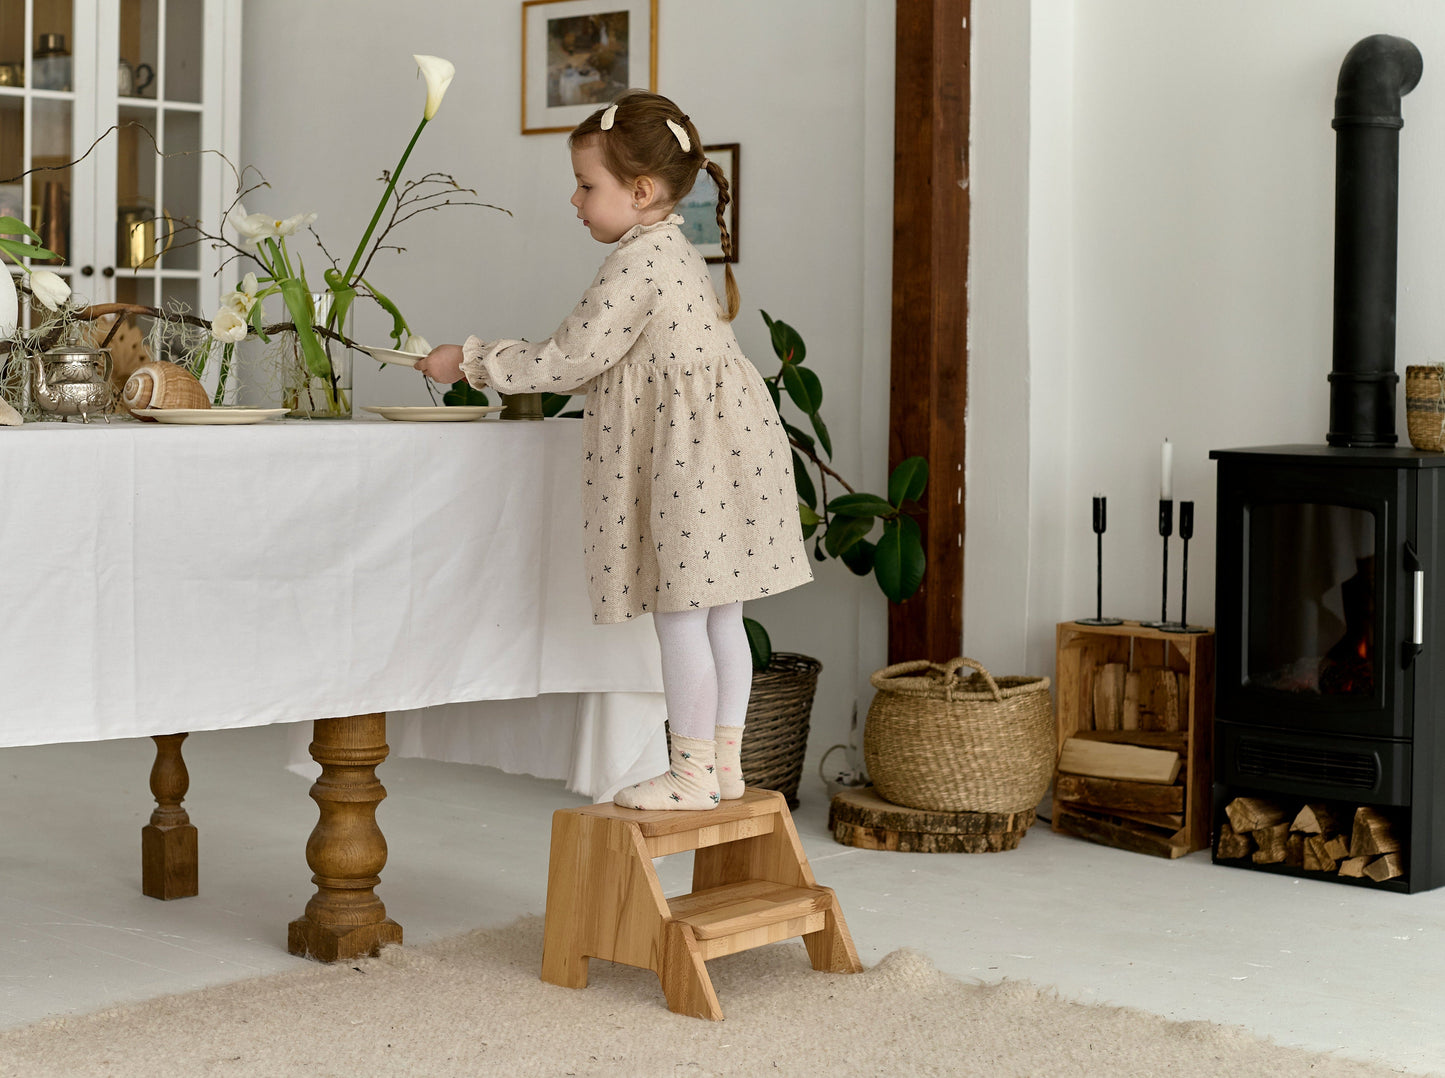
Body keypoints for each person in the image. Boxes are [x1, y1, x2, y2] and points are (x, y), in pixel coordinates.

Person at [418, 90, 811, 810]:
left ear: (640, 191)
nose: (574, 200)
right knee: (721, 612)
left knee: (684, 615)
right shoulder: (674, 252)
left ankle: (691, 772)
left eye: (586, 185)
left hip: (692, 457)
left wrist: (469, 361)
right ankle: (724, 763)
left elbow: (568, 359)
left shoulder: (637, 263)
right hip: (726, 446)